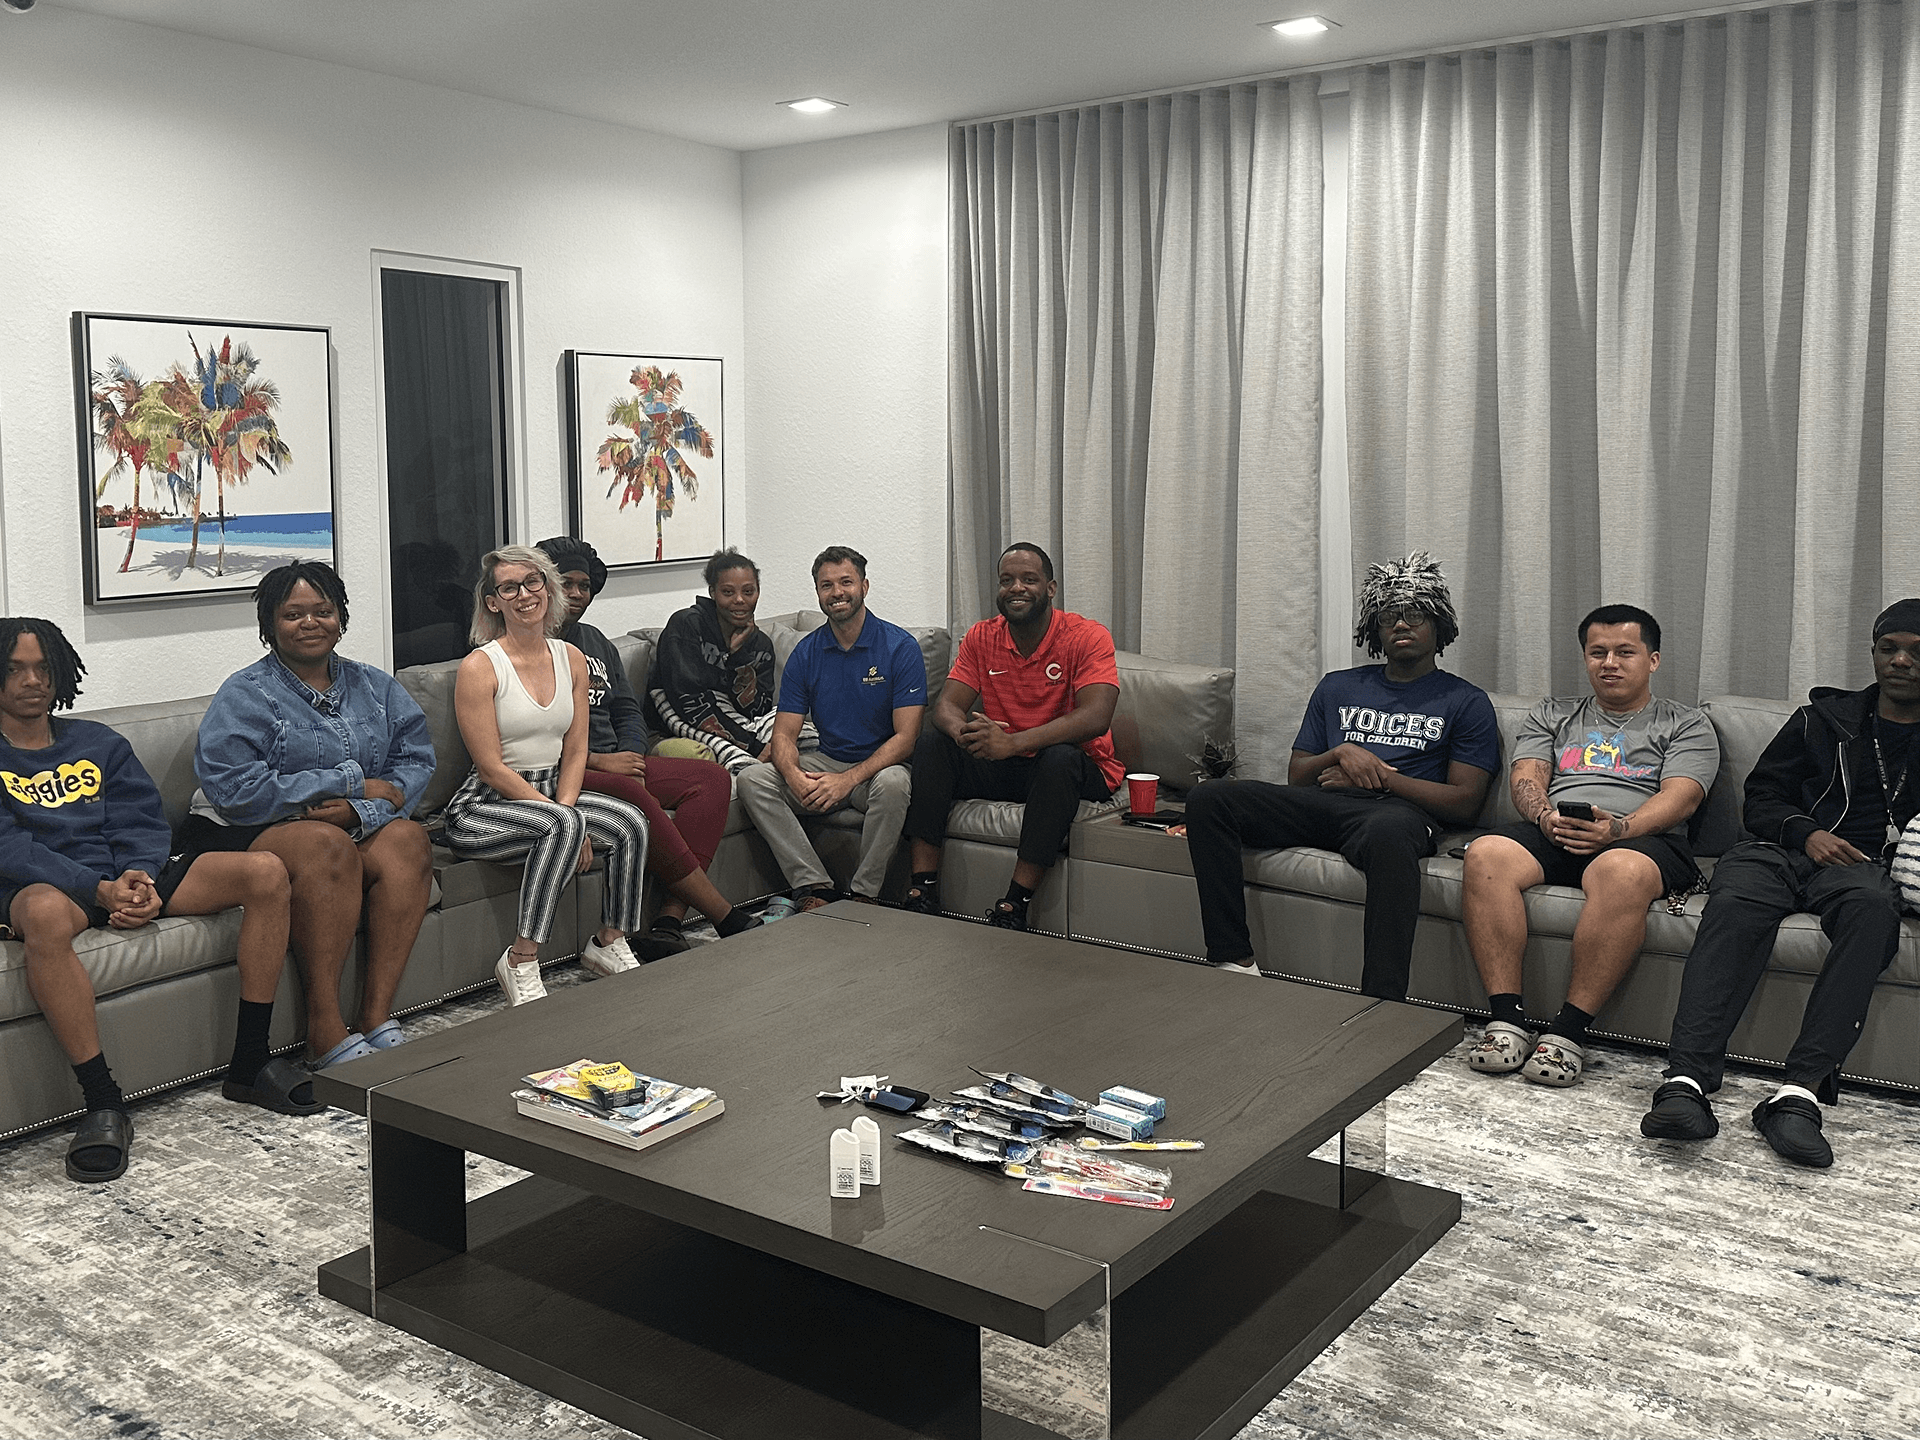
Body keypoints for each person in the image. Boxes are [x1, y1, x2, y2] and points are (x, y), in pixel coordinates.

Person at [0, 618, 319, 1185]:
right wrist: (97, 889)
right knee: (44, 912)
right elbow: (10, 848)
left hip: (125, 876)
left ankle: (250, 1062)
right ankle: (103, 1102)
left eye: (44, 668)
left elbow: (140, 819)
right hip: (51, 888)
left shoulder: (98, 743)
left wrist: (141, 876)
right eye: (15, 669)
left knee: (266, 871)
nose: (33, 681)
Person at [1641, 601, 1920, 1167]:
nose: (1901, 661)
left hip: (1862, 868)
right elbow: (1762, 797)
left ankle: (1798, 1095)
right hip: (1779, 851)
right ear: (1872, 653)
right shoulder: (1822, 719)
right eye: (1889, 648)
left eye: (1917, 652)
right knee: (1735, 899)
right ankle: (1685, 1081)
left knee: (1873, 909)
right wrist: (1806, 832)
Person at [1173, 553, 1498, 995]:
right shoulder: (1337, 686)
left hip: (1394, 815)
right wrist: (1342, 753)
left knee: (1389, 834)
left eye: (1415, 614)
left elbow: (1464, 802)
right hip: (1323, 803)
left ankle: (1382, 999)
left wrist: (1377, 776)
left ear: (1438, 624)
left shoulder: (1466, 701)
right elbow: (1298, 776)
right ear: (1374, 629)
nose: (1401, 624)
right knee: (1210, 799)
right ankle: (1234, 959)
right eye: (1388, 616)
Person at [190, 561, 436, 1068]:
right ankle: (324, 1027)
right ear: (270, 624)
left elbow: (413, 762)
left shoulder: (375, 686)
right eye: (292, 614)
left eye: (323, 611)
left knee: (409, 840)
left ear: (340, 618)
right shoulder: (245, 693)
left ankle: (375, 1015)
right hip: (248, 828)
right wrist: (347, 783)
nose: (310, 623)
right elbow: (235, 791)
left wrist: (358, 811)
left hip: (349, 825)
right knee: (325, 845)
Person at [1463, 604, 1718, 1087]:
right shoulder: (1553, 713)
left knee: (1618, 869)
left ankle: (1568, 1033)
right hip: (1557, 828)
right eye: (1597, 652)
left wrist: (1618, 829)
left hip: (1643, 839)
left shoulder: (1685, 723)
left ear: (1653, 660)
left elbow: (1682, 797)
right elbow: (1526, 778)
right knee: (1485, 854)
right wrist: (1546, 817)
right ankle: (1506, 1020)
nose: (1610, 663)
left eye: (1625, 652)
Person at [444, 545, 654, 1006]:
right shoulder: (480, 666)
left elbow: (576, 748)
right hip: (484, 806)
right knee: (562, 824)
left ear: (548, 588)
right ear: (493, 602)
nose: (524, 594)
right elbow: (491, 768)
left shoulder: (571, 657)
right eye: (509, 588)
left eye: (532, 582)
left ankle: (609, 940)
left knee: (632, 823)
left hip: (551, 793)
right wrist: (567, 820)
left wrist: (567, 809)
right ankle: (520, 960)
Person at [535, 535, 759, 952]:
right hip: (566, 771)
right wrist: (601, 762)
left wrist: (633, 756)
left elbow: (626, 709)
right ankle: (723, 914)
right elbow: (532, 736)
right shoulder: (527, 650)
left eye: (585, 585)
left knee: (712, 779)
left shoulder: (596, 642)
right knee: (631, 792)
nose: (578, 593)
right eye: (567, 583)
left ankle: (668, 920)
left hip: (617, 762)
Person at [902, 542, 1122, 931]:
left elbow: (1096, 717)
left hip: (1074, 767)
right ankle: (922, 890)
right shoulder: (982, 636)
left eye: (1028, 579)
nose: (1016, 587)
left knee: (1060, 758)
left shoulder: (1087, 636)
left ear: (1051, 589)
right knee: (933, 744)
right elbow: (946, 707)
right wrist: (968, 734)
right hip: (1005, 762)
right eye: (1007, 580)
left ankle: (1014, 907)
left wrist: (1014, 742)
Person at [736, 546, 926, 911]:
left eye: (846, 582)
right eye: (827, 585)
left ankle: (864, 895)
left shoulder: (900, 647)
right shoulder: (806, 652)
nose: (837, 592)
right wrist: (793, 776)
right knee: (752, 779)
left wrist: (848, 779)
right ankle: (815, 886)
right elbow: (784, 734)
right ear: (818, 592)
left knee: (895, 784)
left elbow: (906, 738)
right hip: (826, 761)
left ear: (864, 586)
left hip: (879, 767)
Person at [646, 549, 811, 774]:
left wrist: (739, 658)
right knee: (745, 763)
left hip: (736, 721)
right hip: (675, 722)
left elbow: (757, 710)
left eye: (748, 591)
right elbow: (688, 702)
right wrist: (753, 746)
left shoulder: (760, 645)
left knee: (803, 735)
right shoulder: (687, 625)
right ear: (713, 592)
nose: (739, 600)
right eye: (728, 592)